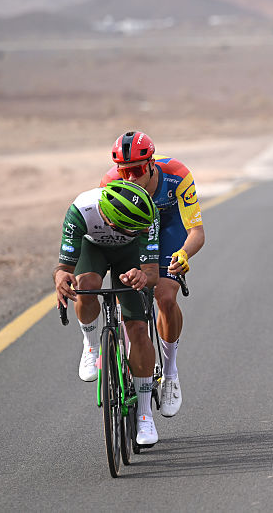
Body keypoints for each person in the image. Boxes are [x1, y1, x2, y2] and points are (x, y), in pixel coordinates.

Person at [100, 131, 204, 418]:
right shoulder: (110, 182)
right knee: (126, 295)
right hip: (133, 231)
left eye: (135, 171)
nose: (130, 178)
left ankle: (170, 372)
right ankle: (125, 353)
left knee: (165, 295)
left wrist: (183, 254)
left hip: (169, 228)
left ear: (149, 164)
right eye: (124, 171)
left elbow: (196, 232)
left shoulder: (176, 175)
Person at [54, 180, 161, 446]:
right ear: (112, 224)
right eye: (137, 228)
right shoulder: (81, 210)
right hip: (95, 250)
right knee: (86, 286)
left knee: (137, 327)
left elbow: (152, 273)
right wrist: (60, 277)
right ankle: (91, 347)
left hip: (132, 254)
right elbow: (64, 267)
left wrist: (142, 276)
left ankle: (145, 414)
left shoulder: (148, 213)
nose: (144, 229)